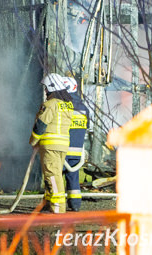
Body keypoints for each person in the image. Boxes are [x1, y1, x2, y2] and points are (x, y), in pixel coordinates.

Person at [29, 73, 74, 213]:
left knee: (52, 176)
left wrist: (33, 141)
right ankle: (49, 203)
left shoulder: (50, 104)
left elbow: (41, 125)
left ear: (51, 88)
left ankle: (57, 208)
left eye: (46, 88)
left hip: (50, 146)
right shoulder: (67, 105)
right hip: (62, 145)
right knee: (54, 174)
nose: (45, 91)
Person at [62, 75, 88, 211]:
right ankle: (75, 205)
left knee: (55, 179)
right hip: (77, 151)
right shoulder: (84, 108)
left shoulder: (63, 106)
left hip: (62, 149)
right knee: (73, 179)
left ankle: (54, 205)